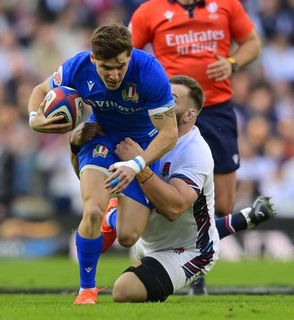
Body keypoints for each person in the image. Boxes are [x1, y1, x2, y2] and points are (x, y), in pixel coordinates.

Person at [70, 75, 276, 302]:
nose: (162, 101)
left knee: (124, 290)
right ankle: (243, 218)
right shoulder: (141, 129)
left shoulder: (195, 152)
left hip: (187, 249)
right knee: (114, 237)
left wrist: (139, 166)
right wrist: (75, 146)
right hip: (146, 237)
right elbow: (90, 177)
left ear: (190, 115)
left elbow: (173, 208)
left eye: (172, 99)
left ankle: (113, 218)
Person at [28, 22, 178, 304]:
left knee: (129, 237)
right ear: (93, 58)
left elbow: (169, 133)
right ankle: (86, 290)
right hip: (101, 137)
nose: (114, 74)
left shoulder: (150, 71)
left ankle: (114, 214)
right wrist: (34, 119)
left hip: (141, 145)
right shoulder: (77, 67)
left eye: (121, 65)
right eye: (106, 67)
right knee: (92, 210)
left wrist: (135, 163)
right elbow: (39, 91)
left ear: (130, 54)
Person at [128, 0, 261, 294]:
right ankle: (191, 262)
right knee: (167, 187)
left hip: (216, 108)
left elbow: (252, 43)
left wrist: (232, 63)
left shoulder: (227, 5)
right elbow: (127, 55)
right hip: (165, 112)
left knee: (224, 204)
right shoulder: (150, 10)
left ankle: (221, 230)